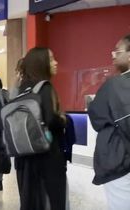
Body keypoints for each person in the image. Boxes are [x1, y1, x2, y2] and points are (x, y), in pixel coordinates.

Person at [15, 48, 67, 210]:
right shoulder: (45, 88)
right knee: (53, 201)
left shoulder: (20, 89)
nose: (56, 63)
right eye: (51, 59)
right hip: (48, 156)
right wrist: (64, 120)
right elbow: (51, 119)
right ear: (41, 63)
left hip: (24, 158)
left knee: (30, 200)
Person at [88, 34, 130, 210]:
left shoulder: (114, 86)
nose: (113, 55)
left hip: (119, 162)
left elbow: (96, 118)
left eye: (117, 51)